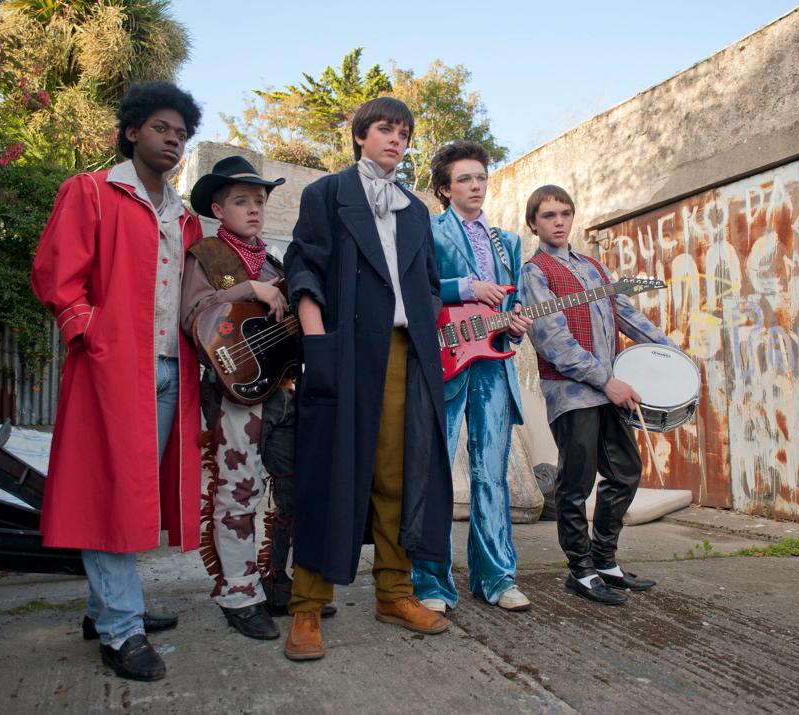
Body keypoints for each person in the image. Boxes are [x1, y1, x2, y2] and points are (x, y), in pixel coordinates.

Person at [31, 82, 203, 680]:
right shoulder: (92, 192)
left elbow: (194, 298)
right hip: (111, 370)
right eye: (161, 128)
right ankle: (121, 630)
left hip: (169, 372)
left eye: (181, 134)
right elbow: (56, 272)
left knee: (133, 495)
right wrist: (90, 334)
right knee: (107, 492)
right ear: (132, 130)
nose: (173, 141)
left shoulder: (185, 220)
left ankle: (101, 608)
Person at [282, 97, 453, 660]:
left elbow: (428, 283)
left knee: (401, 477)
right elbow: (304, 265)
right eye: (385, 129)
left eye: (404, 133)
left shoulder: (415, 209)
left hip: (406, 352)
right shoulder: (327, 194)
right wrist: (316, 340)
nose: (396, 140)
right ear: (360, 135)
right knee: (328, 471)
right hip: (344, 349)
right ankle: (306, 610)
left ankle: (393, 594)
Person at [518, 185, 675, 606]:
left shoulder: (594, 269)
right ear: (534, 222)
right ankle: (580, 570)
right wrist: (606, 380)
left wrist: (672, 356)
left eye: (565, 214)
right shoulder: (534, 272)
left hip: (609, 390)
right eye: (548, 215)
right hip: (573, 393)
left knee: (624, 472)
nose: (558, 222)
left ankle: (605, 560)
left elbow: (629, 315)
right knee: (576, 482)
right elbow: (553, 340)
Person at [411, 141, 533, 615]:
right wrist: (464, 287)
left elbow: (513, 299)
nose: (475, 185)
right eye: (464, 179)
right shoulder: (429, 229)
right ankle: (431, 583)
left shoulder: (509, 241)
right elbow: (414, 285)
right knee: (434, 473)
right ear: (445, 188)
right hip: (445, 360)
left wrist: (517, 319)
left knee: (492, 475)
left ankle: (497, 578)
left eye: (480, 177)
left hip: (494, 364)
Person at [180, 155, 296, 641]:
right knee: (238, 489)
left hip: (283, 391)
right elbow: (193, 316)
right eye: (241, 201)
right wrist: (247, 289)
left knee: (292, 487)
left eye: (259, 201)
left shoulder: (276, 264)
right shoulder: (206, 255)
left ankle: (277, 582)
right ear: (217, 207)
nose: (253, 209)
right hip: (233, 394)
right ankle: (239, 594)